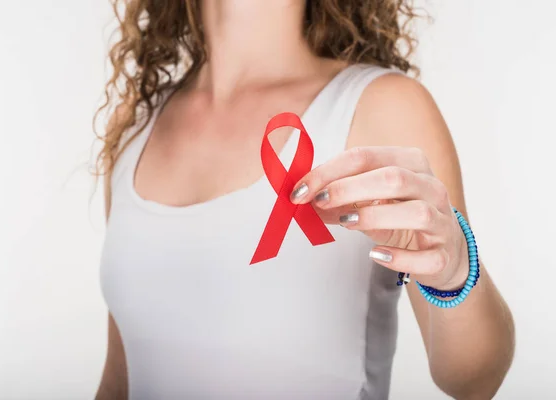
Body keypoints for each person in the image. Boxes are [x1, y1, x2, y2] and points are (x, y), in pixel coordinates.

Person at [94, 1, 515, 399]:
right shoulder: (135, 127)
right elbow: (120, 383)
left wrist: (456, 272)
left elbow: (474, 383)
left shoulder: (384, 107)